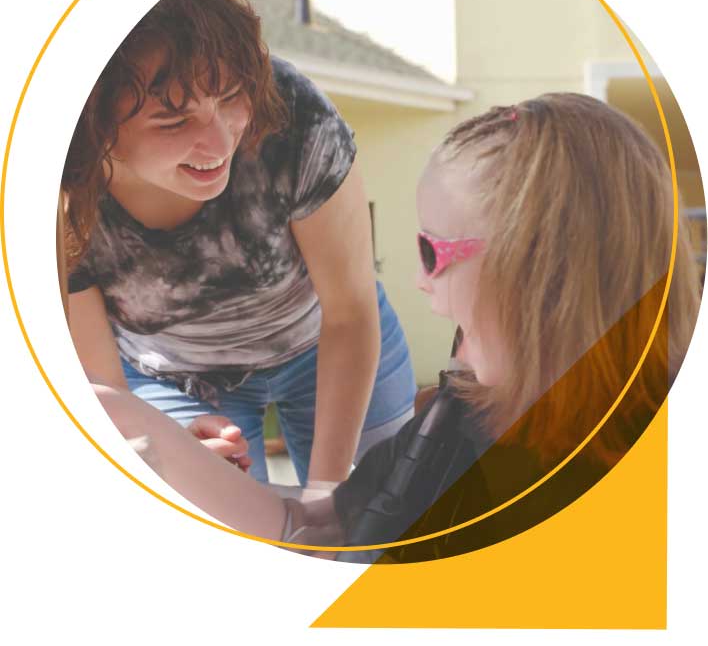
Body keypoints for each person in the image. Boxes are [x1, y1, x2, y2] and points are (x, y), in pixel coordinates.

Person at [89, 92, 703, 560]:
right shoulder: (460, 419)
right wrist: (137, 429)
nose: (419, 282)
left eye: (433, 251)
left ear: (543, 268)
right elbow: (319, 524)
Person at [63, 0, 416, 487]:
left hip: (331, 340)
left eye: (230, 96)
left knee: (380, 524)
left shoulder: (297, 116)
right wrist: (157, 441)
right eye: (173, 121)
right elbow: (102, 385)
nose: (220, 141)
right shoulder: (59, 193)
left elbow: (350, 311)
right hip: (175, 376)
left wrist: (326, 493)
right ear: (93, 121)